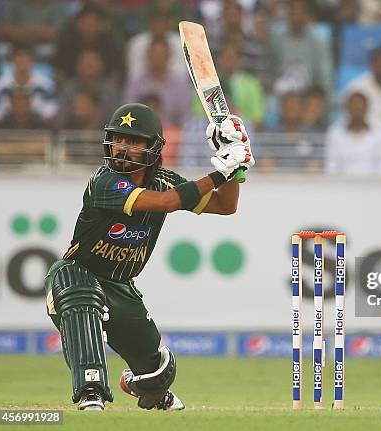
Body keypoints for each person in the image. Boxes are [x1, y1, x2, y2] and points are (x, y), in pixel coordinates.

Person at [43, 102, 254, 410]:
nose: (122, 148)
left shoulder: (166, 180)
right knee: (82, 297)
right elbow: (168, 202)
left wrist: (237, 165)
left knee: (158, 373)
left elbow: (225, 206)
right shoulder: (104, 182)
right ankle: (91, 391)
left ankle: (148, 389)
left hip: (122, 287)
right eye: (118, 139)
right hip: (76, 274)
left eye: (133, 141)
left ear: (152, 147)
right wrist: (220, 171)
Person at [325, 91, 381, 175]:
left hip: (374, 185)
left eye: (359, 109)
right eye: (354, 109)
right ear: (346, 109)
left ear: (367, 108)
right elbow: (331, 165)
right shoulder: (335, 132)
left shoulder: (380, 131)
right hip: (341, 185)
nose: (357, 113)